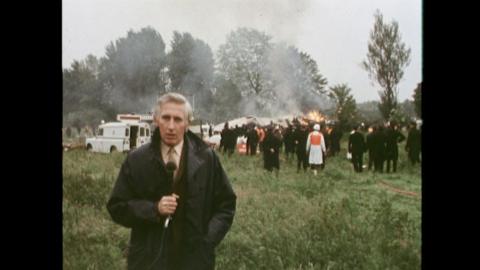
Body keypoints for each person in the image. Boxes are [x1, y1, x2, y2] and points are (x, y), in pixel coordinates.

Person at [107, 92, 237, 270]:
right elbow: (117, 207)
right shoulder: (137, 159)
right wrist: (154, 209)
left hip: (195, 260)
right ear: (155, 120)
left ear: (187, 123)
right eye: (166, 118)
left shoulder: (207, 158)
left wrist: (207, 241)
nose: (171, 126)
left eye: (178, 119)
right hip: (148, 260)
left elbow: (226, 204)